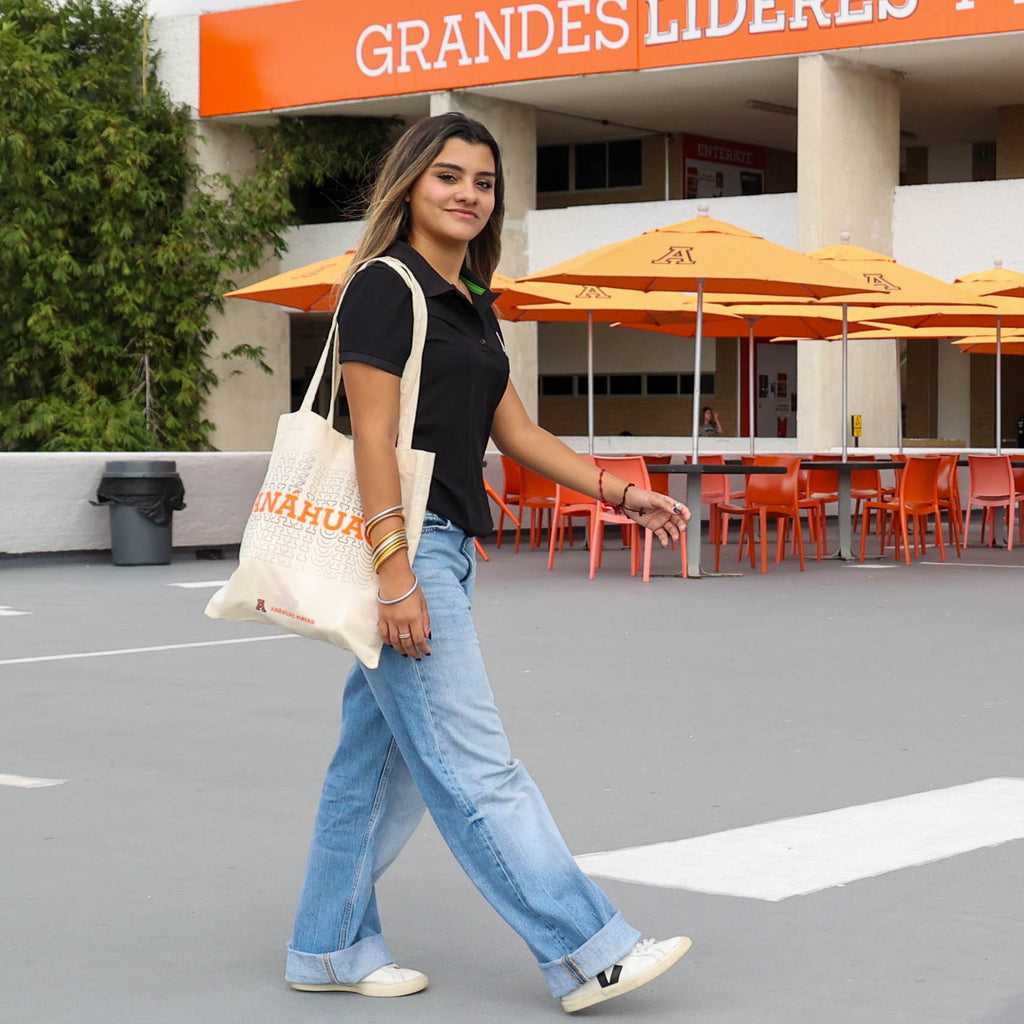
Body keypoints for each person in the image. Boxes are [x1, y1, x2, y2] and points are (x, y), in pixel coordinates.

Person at [284, 112, 693, 1013]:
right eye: (450, 176)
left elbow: (518, 434)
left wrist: (623, 493)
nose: (469, 192)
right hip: (407, 550)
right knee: (477, 768)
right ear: (412, 184)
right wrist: (396, 575)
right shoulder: (385, 289)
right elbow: (374, 441)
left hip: (447, 552)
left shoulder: (471, 299)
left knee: (375, 771)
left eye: (485, 181)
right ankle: (588, 950)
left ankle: (327, 945)